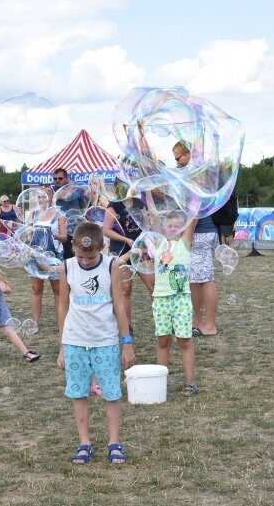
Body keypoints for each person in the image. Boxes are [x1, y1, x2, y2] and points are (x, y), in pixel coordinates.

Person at [56, 222, 134, 465]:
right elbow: (62, 307)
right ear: (73, 248)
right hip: (74, 341)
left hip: (106, 341)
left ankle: (114, 443)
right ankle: (84, 442)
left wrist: (126, 342)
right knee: (78, 393)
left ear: (102, 247)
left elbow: (119, 305)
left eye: (91, 256)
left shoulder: (111, 265)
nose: (86, 261)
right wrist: (61, 346)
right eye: (81, 255)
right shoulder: (66, 267)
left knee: (111, 393)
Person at [173, 141, 219, 337]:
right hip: (199, 232)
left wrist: (186, 236)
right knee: (194, 279)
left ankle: (209, 325)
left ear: (189, 153)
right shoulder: (195, 175)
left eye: (179, 157)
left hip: (199, 233)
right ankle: (197, 321)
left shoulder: (196, 176)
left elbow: (194, 210)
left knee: (205, 279)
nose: (177, 162)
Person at [153, 211, 198, 396]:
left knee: (184, 341)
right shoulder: (158, 242)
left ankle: (190, 382)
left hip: (181, 299)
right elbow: (154, 214)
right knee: (163, 341)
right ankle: (159, 383)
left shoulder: (184, 243)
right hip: (161, 299)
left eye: (177, 226)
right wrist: (147, 191)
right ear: (163, 227)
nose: (173, 229)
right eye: (169, 225)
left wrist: (196, 198)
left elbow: (194, 216)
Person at [102, 198, 155, 334]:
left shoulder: (139, 202)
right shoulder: (114, 205)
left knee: (154, 285)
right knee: (125, 289)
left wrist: (144, 237)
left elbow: (147, 224)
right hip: (120, 251)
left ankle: (162, 320)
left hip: (140, 249)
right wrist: (125, 239)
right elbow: (106, 230)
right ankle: (127, 326)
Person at [28, 185, 67, 332]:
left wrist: (57, 236)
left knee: (57, 290)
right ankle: (35, 324)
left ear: (52, 196)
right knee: (36, 289)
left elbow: (65, 237)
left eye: (45, 195)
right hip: (35, 255)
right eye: (39, 196)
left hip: (54, 257)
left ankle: (61, 324)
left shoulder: (60, 214)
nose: (42, 199)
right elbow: (29, 235)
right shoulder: (34, 214)